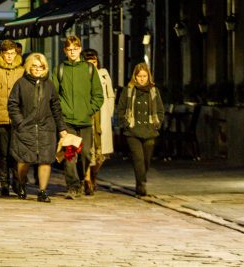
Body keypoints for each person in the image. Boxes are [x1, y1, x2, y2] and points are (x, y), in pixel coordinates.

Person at [8, 53, 67, 202]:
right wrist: (20, 122)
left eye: (41, 67)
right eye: (34, 66)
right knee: (24, 160)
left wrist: (62, 129)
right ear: (29, 67)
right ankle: (21, 183)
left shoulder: (49, 85)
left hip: (46, 128)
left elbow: (56, 107)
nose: (37, 69)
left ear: (45, 68)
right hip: (25, 128)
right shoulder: (21, 83)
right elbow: (13, 104)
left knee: (45, 160)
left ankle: (42, 191)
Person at [52, 35, 103, 199]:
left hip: (85, 120)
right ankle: (73, 186)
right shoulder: (60, 69)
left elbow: (98, 95)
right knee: (70, 155)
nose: (72, 52)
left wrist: (89, 110)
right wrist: (60, 114)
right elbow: (54, 96)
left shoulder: (89, 69)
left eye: (75, 49)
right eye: (69, 49)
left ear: (80, 49)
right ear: (65, 51)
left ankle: (81, 178)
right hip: (67, 120)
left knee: (86, 154)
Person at [115, 63, 165, 196]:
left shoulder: (154, 91)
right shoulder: (129, 90)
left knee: (146, 159)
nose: (142, 79)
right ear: (135, 77)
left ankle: (140, 179)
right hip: (133, 130)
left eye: (144, 76)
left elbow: (160, 110)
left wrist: (157, 123)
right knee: (138, 158)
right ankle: (141, 184)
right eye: (139, 76)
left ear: (148, 76)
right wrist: (126, 123)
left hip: (149, 130)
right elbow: (120, 109)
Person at [0, 39, 25, 196]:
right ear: (2, 54)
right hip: (0, 117)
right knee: (2, 153)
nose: (10, 56)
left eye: (12, 53)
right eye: (7, 54)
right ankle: (4, 183)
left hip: (18, 119)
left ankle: (18, 181)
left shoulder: (22, 71)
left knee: (17, 152)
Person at [84, 48, 115, 195]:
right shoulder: (81, 75)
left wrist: (109, 111)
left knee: (101, 153)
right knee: (87, 150)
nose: (92, 64)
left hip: (101, 116)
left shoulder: (104, 74)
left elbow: (110, 95)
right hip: (86, 115)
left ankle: (94, 174)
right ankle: (87, 179)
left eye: (94, 61)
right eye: (89, 62)